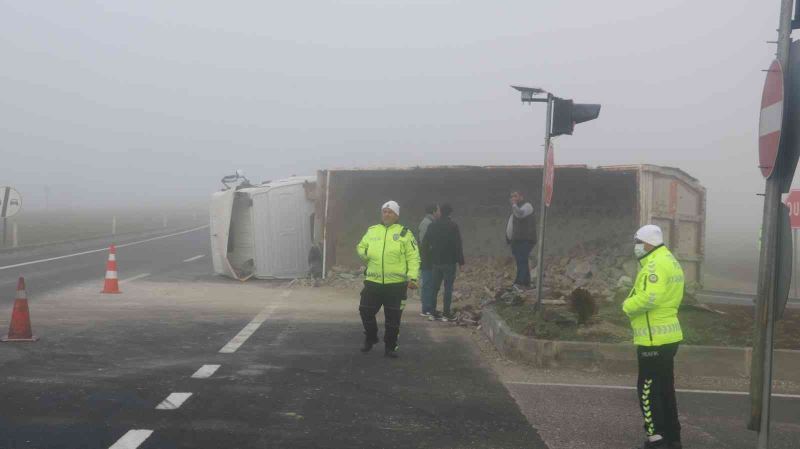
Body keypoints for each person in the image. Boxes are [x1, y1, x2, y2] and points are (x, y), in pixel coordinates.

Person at [622, 224, 684, 449]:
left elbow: (650, 298)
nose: (636, 247)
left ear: (648, 243)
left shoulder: (654, 266)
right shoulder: (670, 260)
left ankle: (655, 437)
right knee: (665, 387)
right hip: (669, 336)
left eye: (638, 242)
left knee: (647, 388)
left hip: (653, 338)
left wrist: (627, 305)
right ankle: (672, 436)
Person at [356, 200, 421, 358]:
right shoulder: (372, 231)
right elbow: (361, 246)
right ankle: (371, 337)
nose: (386, 214)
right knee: (365, 310)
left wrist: (413, 277)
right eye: (384, 211)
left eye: (390, 212)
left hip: (396, 285)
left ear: (397, 215)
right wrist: (364, 253)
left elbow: (413, 257)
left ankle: (390, 346)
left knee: (393, 319)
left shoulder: (405, 233)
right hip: (373, 282)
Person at [421, 203, 464, 322]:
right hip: (449, 262)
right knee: (448, 288)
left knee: (435, 288)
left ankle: (433, 312)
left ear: (441, 212)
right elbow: (458, 245)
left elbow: (425, 243)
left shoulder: (433, 225)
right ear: (450, 213)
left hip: (436, 262)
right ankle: (446, 313)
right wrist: (461, 261)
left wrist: (428, 257)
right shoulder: (453, 226)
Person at [506, 190, 537, 289]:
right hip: (516, 240)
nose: (513, 198)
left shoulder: (527, 206)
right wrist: (509, 238)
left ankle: (519, 282)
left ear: (521, 197)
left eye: (515, 196)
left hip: (525, 239)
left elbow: (520, 214)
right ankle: (526, 282)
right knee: (521, 261)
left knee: (522, 260)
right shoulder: (515, 209)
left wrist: (514, 205)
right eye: (512, 197)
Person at [418, 204, 440, 317]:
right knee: (427, 283)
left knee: (429, 283)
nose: (439, 212)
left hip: (428, 258)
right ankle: (426, 309)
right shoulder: (427, 223)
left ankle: (428, 307)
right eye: (438, 210)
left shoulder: (429, 223)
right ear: (433, 211)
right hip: (427, 259)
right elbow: (423, 243)